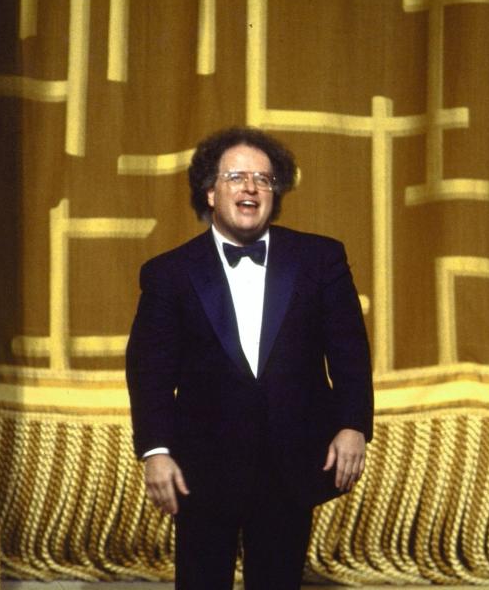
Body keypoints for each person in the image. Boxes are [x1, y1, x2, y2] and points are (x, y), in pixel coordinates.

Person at [126, 127, 374, 589]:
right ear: (210, 189)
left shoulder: (320, 259)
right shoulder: (168, 273)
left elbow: (350, 353)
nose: (250, 187)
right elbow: (150, 372)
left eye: (263, 178)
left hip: (291, 461)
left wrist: (353, 424)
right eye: (237, 176)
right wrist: (156, 451)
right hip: (202, 467)